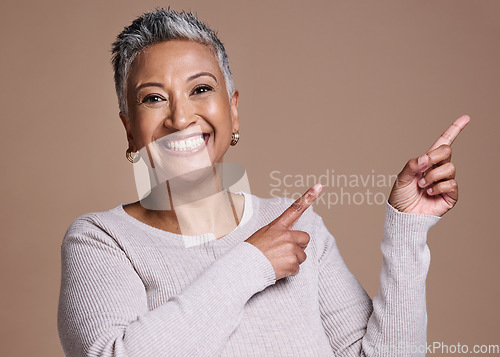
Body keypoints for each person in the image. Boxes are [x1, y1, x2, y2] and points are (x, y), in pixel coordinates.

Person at [57, 8, 469, 357]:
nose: (180, 119)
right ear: (130, 129)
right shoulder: (102, 240)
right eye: (153, 98)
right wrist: (250, 264)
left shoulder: (297, 225)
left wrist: (407, 229)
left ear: (233, 112)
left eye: (201, 89)